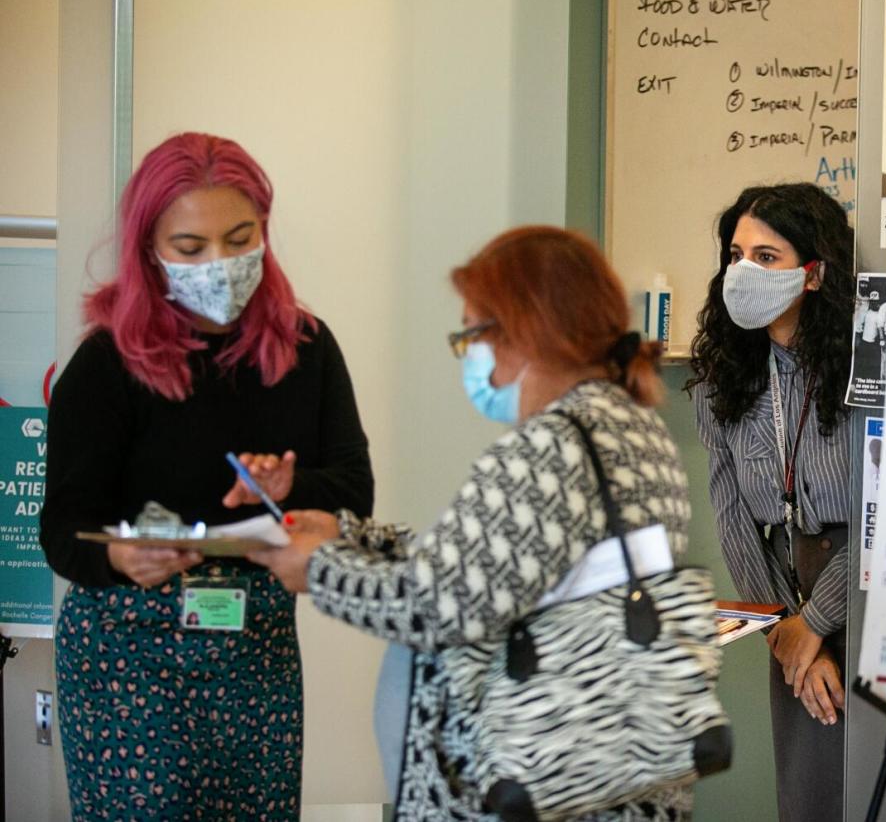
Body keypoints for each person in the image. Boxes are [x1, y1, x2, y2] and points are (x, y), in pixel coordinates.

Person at [251, 226, 693, 820]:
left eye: (472, 335)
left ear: (522, 328)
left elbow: (439, 604)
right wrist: (353, 536)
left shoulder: (551, 447)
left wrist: (319, 569)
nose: (471, 356)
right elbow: (497, 560)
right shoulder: (631, 425)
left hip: (539, 786)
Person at [39, 132, 374, 820]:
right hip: (130, 657)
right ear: (149, 250)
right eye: (190, 249)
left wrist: (288, 490)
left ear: (265, 232)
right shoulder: (107, 365)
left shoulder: (306, 348)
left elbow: (354, 495)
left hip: (257, 649)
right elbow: (64, 531)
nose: (218, 264)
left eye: (239, 238)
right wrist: (122, 558)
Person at [686, 183, 854, 821]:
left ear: (812, 274)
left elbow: (885, 510)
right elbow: (731, 517)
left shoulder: (865, 370)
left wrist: (818, 623)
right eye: (735, 254)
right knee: (810, 792)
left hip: (864, 582)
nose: (742, 272)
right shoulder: (721, 381)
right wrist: (786, 629)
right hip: (782, 591)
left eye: (766, 256)